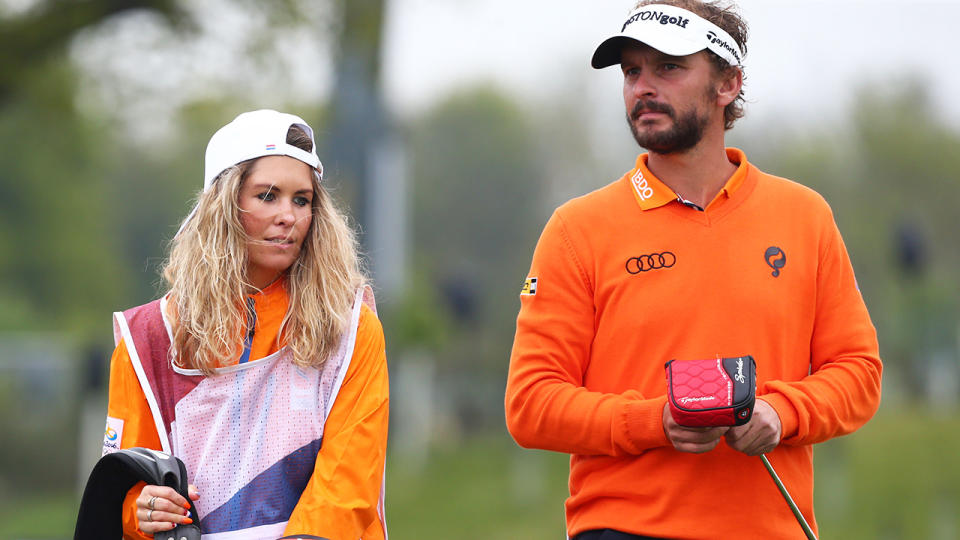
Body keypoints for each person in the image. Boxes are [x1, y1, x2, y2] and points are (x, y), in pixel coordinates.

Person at [504, 2, 882, 539]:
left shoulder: (805, 217)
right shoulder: (577, 229)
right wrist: (655, 421)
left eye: (668, 68)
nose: (642, 87)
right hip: (623, 528)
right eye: (632, 71)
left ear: (728, 83)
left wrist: (782, 412)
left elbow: (859, 372)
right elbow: (531, 403)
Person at [102, 110, 389, 540]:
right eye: (268, 195)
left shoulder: (350, 329)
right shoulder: (148, 337)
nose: (288, 215)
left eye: (302, 199)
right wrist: (138, 511)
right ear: (224, 203)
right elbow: (125, 484)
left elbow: (347, 489)